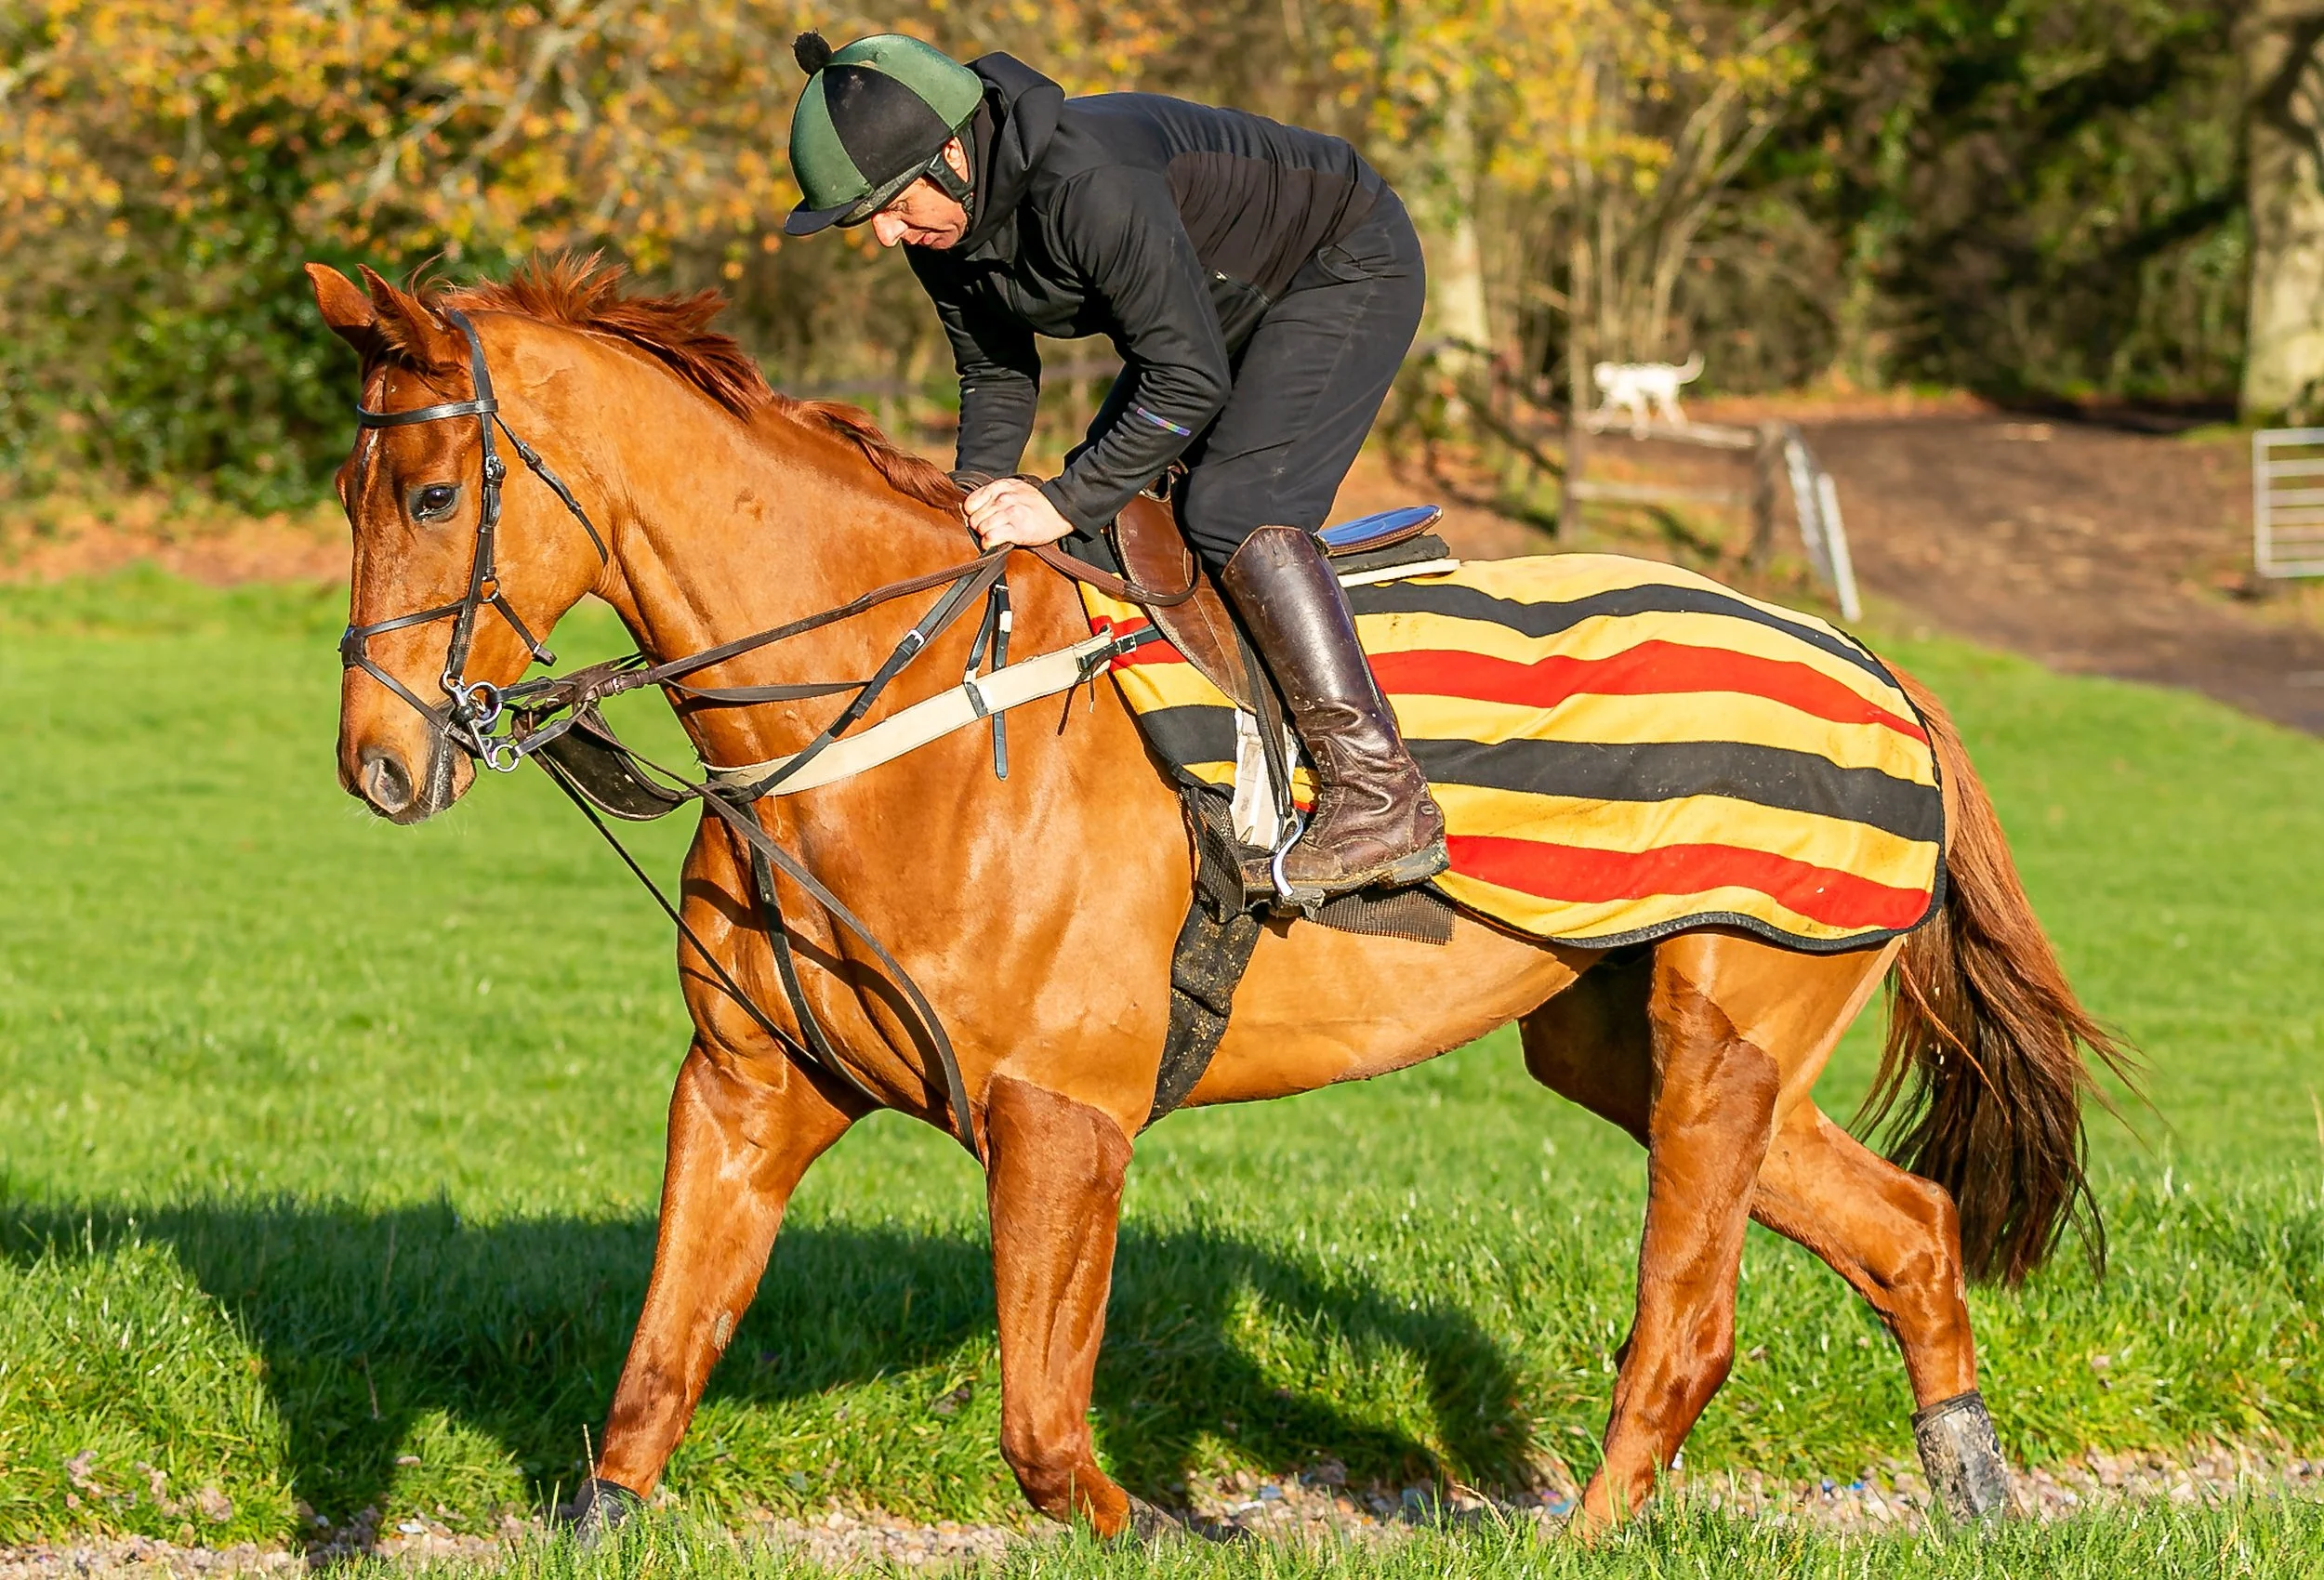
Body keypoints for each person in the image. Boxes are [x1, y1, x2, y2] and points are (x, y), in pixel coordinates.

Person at [783, 32, 1446, 903]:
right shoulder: (940, 224)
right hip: (1211, 311)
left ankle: (1381, 795)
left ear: (950, 152)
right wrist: (971, 500)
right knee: (1108, 522)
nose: (883, 236)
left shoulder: (1088, 185)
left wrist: (1059, 499)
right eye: (869, 218)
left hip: (1337, 264)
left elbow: (1189, 379)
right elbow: (995, 370)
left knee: (1230, 509)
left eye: (893, 207)